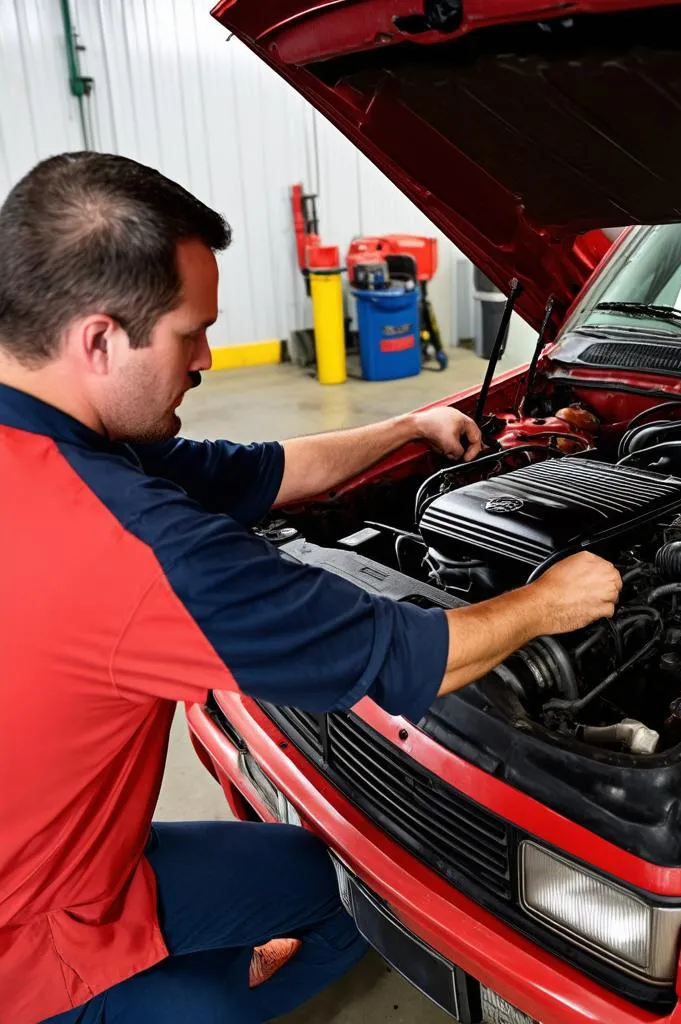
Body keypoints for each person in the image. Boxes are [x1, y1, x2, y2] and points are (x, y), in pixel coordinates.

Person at [0, 153, 622, 1024]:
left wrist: (408, 425)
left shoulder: (58, 442)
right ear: (99, 340)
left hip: (47, 848)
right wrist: (554, 598)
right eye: (191, 333)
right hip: (26, 939)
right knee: (250, 973)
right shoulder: (126, 544)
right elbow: (408, 654)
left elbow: (252, 472)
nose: (207, 359)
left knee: (310, 875)